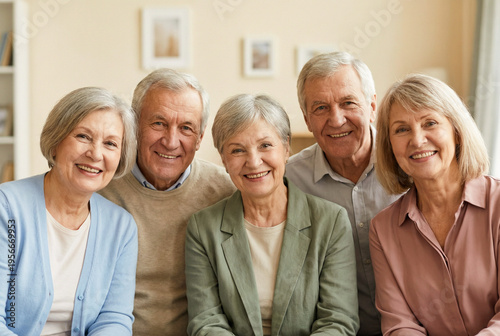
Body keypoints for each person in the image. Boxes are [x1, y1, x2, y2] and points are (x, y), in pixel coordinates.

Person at [185, 93, 359, 336]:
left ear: (286, 148)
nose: (254, 162)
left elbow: (337, 321)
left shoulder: (330, 222)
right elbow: (207, 322)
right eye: (237, 150)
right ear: (223, 159)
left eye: (265, 145)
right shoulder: (204, 228)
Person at [99, 68, 235, 336]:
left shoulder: (224, 191)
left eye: (186, 128)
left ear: (200, 138)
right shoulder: (100, 187)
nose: (171, 142)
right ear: (134, 124)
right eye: (159, 123)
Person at [0, 87, 138, 335]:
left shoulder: (121, 227)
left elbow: (114, 319)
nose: (95, 153)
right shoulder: (7, 209)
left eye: (110, 143)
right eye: (83, 136)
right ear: (55, 143)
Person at [370, 74, 499, 335]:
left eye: (430, 123)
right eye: (401, 129)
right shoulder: (383, 229)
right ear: (390, 146)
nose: (417, 140)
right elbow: (400, 325)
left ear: (457, 132)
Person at [285, 51, 401, 336]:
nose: (336, 120)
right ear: (307, 119)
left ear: (372, 106)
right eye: (320, 108)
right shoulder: (288, 180)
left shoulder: (408, 163)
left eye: (348, 103)